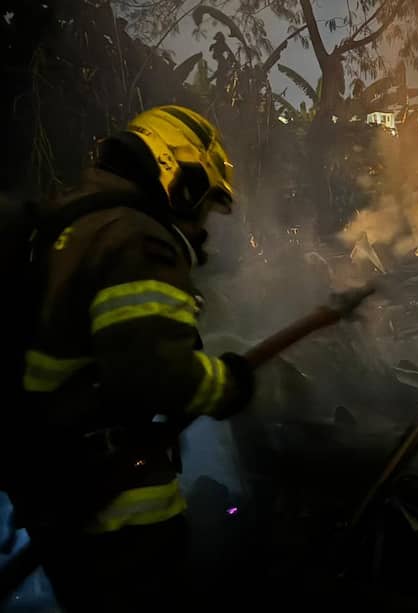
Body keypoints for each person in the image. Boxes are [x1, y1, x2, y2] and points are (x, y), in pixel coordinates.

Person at [13, 106, 255, 611]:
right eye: (205, 205)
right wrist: (229, 383)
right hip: (116, 505)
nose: (203, 226)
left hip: (51, 483)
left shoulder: (76, 217)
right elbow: (156, 374)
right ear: (179, 176)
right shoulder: (136, 238)